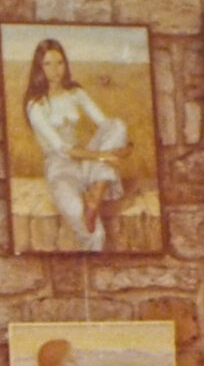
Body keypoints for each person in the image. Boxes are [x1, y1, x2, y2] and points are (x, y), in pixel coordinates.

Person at [23, 38, 132, 252]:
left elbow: (106, 125)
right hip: (60, 168)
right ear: (39, 67)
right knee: (92, 232)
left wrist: (126, 148)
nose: (56, 70)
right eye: (48, 64)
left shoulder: (76, 93)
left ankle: (96, 195)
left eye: (60, 63)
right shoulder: (36, 105)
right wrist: (103, 157)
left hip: (87, 164)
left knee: (117, 125)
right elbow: (63, 149)